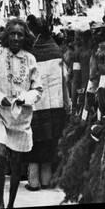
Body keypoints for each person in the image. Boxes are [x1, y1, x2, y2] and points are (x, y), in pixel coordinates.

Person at [0, 18, 43, 209]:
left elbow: (38, 89)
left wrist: (26, 98)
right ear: (7, 35)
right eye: (12, 34)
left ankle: (11, 205)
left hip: (20, 116)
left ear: (25, 38)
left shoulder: (30, 59)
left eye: (20, 34)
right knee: (0, 153)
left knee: (16, 160)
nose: (16, 38)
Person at [24, 16, 68, 190]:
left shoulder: (30, 54)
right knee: (50, 141)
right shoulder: (57, 51)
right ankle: (46, 180)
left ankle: (33, 181)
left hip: (36, 105)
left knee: (34, 141)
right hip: (56, 105)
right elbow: (65, 79)